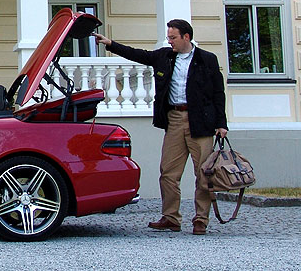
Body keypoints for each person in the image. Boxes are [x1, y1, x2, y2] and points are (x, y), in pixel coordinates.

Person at [92, 19, 227, 235]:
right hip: (174, 118)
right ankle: (171, 217)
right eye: (168, 37)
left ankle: (201, 219)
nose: (170, 41)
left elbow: (218, 93)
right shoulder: (165, 56)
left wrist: (221, 123)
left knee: (204, 173)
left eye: (173, 37)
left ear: (186, 37)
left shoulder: (207, 60)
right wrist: (111, 44)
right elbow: (138, 54)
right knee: (168, 172)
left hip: (201, 122)